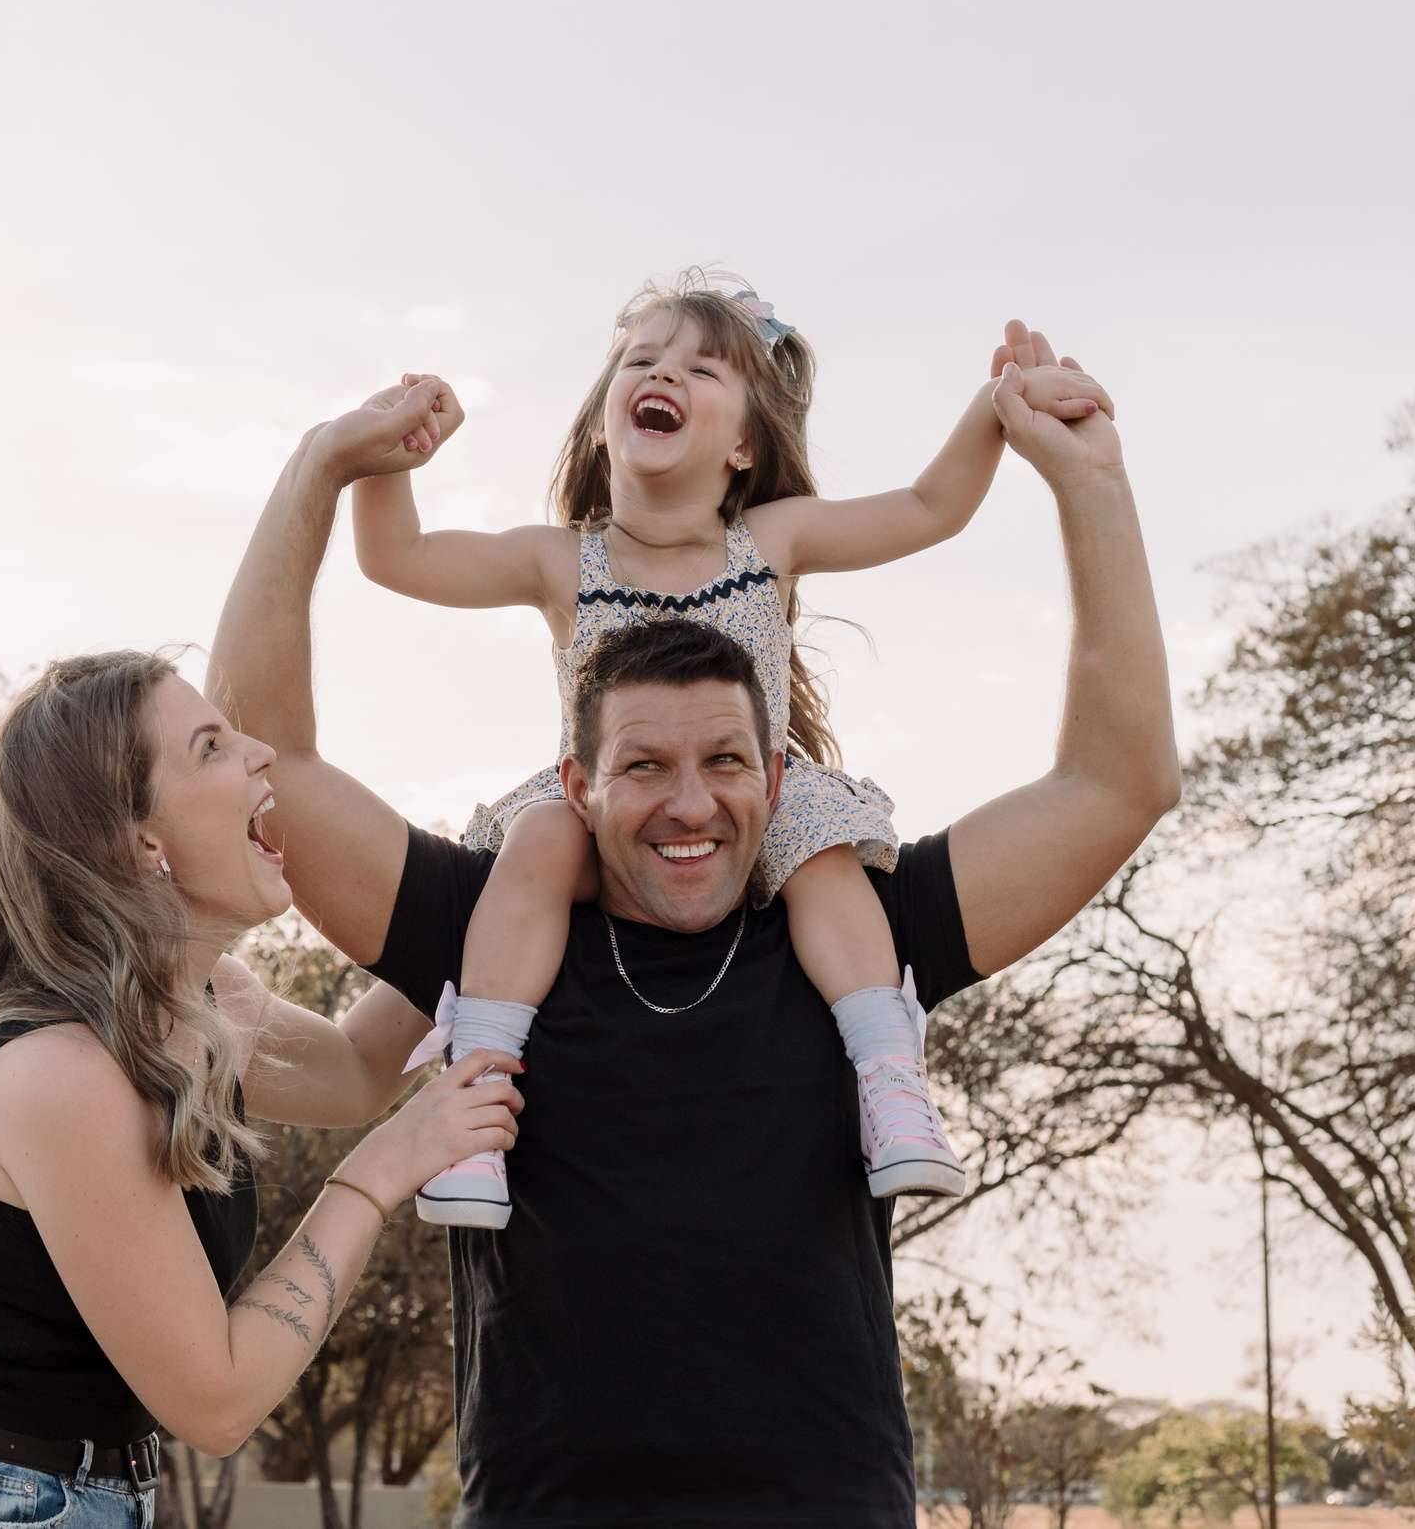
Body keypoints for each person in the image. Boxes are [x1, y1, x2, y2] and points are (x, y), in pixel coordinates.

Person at [205, 321, 1180, 1527]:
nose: (687, 803)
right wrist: (318, 469)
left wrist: (1088, 484)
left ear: (776, 776)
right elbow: (266, 762)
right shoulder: (496, 924)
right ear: (575, 782)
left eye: (725, 761)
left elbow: (1116, 782)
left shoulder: (852, 924)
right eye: (644, 765)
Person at [349, 273, 1111, 1225]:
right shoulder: (560, 559)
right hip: (612, 816)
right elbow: (395, 557)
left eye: (701, 367)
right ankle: (476, 1094)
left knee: (818, 842)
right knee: (541, 835)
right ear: (602, 424)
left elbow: (928, 505)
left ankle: (890, 1078)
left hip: (759, 804)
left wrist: (995, 411)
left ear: (745, 443)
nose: (663, 372)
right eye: (641, 360)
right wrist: (386, 454)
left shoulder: (769, 541)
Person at [0, 651, 524, 1529]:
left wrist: (495, 888)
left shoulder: (208, 1001)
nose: (262, 753)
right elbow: (217, 1400)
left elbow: (354, 1070)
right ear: (141, 840)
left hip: (61, 1499)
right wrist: (384, 1168)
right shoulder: (63, 1073)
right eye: (212, 747)